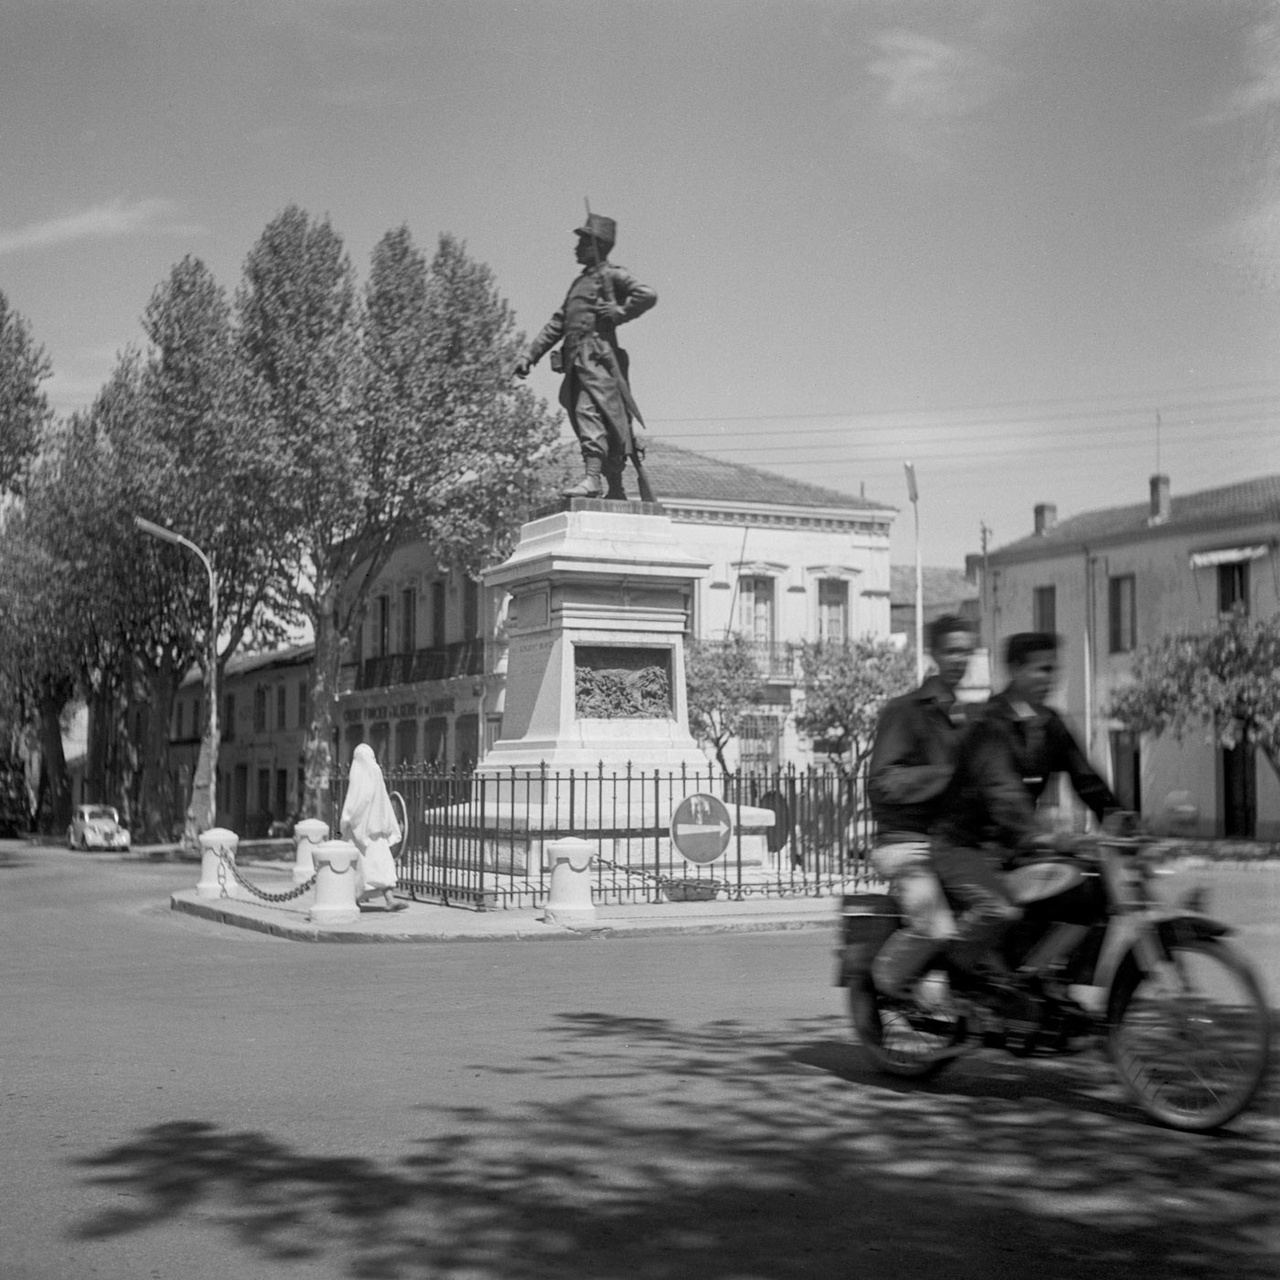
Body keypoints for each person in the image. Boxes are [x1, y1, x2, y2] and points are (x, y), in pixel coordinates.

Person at [933, 631, 1120, 999]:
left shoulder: (1050, 723)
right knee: (1001, 909)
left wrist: (1121, 818)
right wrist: (1040, 836)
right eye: (1042, 669)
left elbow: (1086, 779)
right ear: (1016, 670)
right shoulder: (987, 724)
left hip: (1013, 845)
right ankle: (953, 978)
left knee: (1094, 887)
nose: (1050, 678)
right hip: (966, 846)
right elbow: (1002, 790)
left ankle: (1044, 981)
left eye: (1054, 670)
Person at [866, 614, 976, 1001]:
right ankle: (882, 983)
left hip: (954, 848)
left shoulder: (966, 719)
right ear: (934, 654)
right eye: (952, 651)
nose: (960, 660)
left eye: (967, 651)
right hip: (907, 844)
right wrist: (944, 777)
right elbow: (883, 781)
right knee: (935, 928)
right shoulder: (905, 711)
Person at [512, 213, 656, 500]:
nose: (576, 247)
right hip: (577, 361)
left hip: (598, 358)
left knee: (592, 414)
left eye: (583, 241)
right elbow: (558, 322)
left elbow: (647, 294)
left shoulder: (612, 275)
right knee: (597, 419)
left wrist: (619, 313)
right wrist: (530, 354)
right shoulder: (580, 282)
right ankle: (614, 487)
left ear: (597, 246)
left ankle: (594, 479)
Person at [340, 743, 407, 912]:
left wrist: (346, 821)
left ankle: (356, 899)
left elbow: (356, 800)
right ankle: (388, 898)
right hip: (377, 830)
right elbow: (384, 800)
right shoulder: (376, 771)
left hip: (359, 831)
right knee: (381, 867)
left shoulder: (358, 772)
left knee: (359, 869)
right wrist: (389, 824)